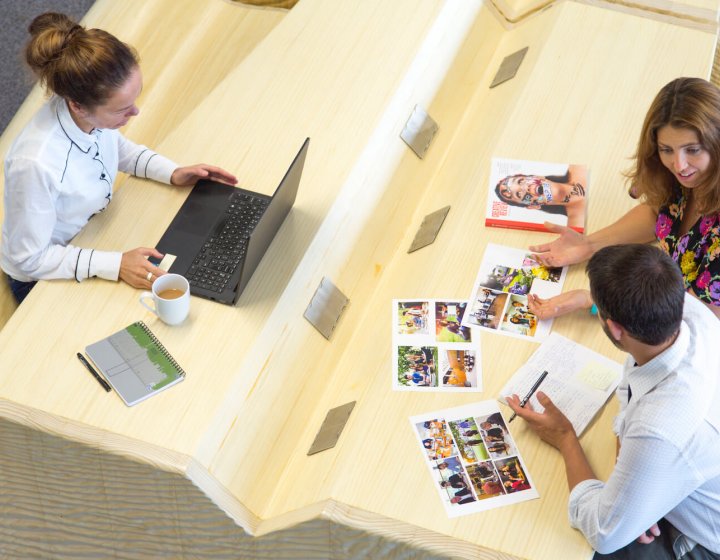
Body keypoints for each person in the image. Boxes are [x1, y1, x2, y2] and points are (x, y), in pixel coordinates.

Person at [1, 13, 237, 304]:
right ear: (78, 106)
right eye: (121, 109)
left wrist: (173, 172)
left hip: (92, 234)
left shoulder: (87, 115)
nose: (135, 113)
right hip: (46, 270)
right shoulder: (34, 164)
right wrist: (116, 265)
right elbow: (28, 260)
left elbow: (117, 151)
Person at [507, 244, 720, 558]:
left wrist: (565, 437)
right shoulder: (690, 311)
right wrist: (634, 495)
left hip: (704, 538)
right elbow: (634, 381)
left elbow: (603, 531)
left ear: (614, 329)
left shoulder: (660, 426)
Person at [529, 77, 720, 320]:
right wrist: (588, 245)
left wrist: (595, 299)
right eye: (666, 149)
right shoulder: (688, 176)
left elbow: (697, 315)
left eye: (693, 150)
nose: (679, 165)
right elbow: (658, 214)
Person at [494, 165, 587, 229]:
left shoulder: (580, 168)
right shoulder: (577, 228)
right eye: (518, 194)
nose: (526, 188)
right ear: (533, 206)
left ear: (538, 176)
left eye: (521, 181)